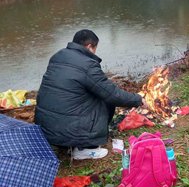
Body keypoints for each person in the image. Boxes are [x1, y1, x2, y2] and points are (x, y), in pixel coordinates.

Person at [35, 29, 145, 160]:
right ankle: (85, 148)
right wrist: (138, 99)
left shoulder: (58, 56)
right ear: (89, 47)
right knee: (105, 100)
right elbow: (112, 94)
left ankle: (66, 144)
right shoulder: (87, 64)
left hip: (45, 129)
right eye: (95, 48)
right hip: (67, 131)